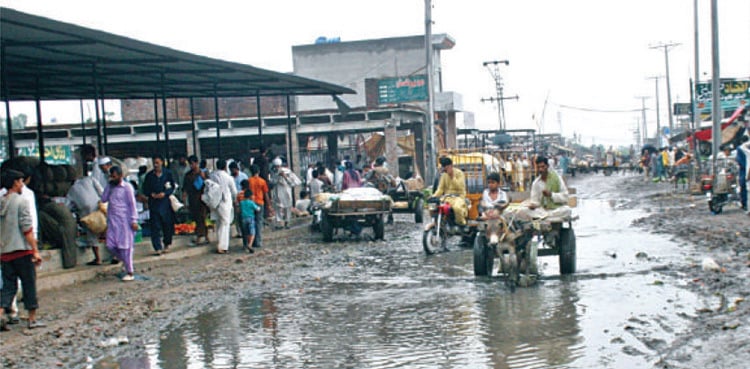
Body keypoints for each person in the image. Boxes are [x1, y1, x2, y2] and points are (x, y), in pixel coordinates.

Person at [0, 169, 45, 331]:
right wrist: (35, 250)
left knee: (8, 286)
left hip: (5, 252)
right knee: (29, 284)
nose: (22, 184)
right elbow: (27, 228)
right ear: (14, 183)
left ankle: (1, 313)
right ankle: (32, 319)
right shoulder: (21, 202)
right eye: (20, 181)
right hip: (22, 251)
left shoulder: (1, 202)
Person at [101, 166, 139, 282]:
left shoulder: (127, 188)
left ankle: (130, 271)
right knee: (110, 245)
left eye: (114, 176)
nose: (113, 178)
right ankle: (124, 261)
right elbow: (103, 199)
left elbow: (132, 205)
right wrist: (109, 186)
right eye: (111, 176)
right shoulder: (110, 187)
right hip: (112, 221)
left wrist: (134, 220)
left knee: (125, 247)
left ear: (120, 176)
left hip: (124, 221)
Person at [514, 156, 571, 220]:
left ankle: (545, 217)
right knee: (522, 211)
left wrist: (551, 195)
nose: (540, 169)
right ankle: (546, 217)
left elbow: (565, 197)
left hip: (556, 209)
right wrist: (533, 205)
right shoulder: (536, 183)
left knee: (567, 210)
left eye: (543, 167)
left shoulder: (557, 178)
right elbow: (535, 201)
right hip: (541, 210)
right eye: (538, 167)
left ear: (547, 166)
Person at [67, 175, 105, 265]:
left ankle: (98, 258)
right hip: (100, 209)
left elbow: (68, 206)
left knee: (91, 235)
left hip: (87, 216)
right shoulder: (90, 179)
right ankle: (116, 256)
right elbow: (101, 191)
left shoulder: (71, 191)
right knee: (109, 230)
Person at [142, 154, 176, 256]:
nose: (156, 165)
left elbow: (172, 186)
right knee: (155, 226)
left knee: (167, 224)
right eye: (154, 163)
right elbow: (145, 189)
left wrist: (165, 193)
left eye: (157, 162)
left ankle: (167, 243)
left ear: (162, 162)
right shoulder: (149, 176)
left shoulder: (167, 174)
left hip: (165, 203)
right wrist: (151, 194)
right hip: (154, 203)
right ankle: (157, 247)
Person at [210, 159, 237, 254]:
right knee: (225, 223)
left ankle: (219, 243)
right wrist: (235, 200)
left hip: (214, 202)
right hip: (225, 201)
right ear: (225, 167)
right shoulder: (228, 177)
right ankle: (222, 246)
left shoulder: (212, 175)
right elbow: (234, 191)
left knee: (218, 223)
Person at [431, 157, 468, 227]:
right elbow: (440, 189)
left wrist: (452, 177)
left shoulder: (459, 173)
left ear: (450, 166)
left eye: (445, 166)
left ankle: (461, 224)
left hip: (458, 197)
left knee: (457, 208)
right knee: (433, 206)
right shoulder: (444, 175)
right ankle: (439, 222)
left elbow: (460, 187)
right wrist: (433, 196)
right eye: (443, 166)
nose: (443, 169)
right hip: (447, 197)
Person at [182, 155, 210, 245]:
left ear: (197, 163)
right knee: (197, 218)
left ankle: (200, 236)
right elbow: (185, 188)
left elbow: (210, 185)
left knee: (202, 217)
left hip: (202, 199)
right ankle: (204, 236)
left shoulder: (203, 173)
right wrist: (184, 198)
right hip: (193, 199)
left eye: (193, 164)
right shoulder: (188, 175)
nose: (191, 166)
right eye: (190, 164)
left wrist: (204, 178)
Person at [270, 158, 300, 229]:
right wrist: (277, 176)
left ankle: (287, 222)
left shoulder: (288, 172)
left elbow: (294, 182)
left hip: (286, 191)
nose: (277, 168)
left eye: (278, 166)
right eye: (275, 166)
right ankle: (279, 223)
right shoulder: (273, 173)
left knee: (287, 207)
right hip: (278, 192)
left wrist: (285, 176)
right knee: (278, 207)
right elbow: (272, 182)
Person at [248, 164, 271, 249]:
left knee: (252, 222)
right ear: (258, 172)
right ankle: (258, 241)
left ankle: (252, 241)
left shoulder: (249, 181)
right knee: (259, 222)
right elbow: (266, 194)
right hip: (260, 202)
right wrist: (269, 205)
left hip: (251, 203)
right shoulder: (262, 181)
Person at [237, 180, 260, 253]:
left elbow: (237, 207)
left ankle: (245, 244)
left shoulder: (239, 196)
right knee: (252, 232)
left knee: (245, 232)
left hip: (243, 217)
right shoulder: (251, 199)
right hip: (251, 217)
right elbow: (256, 208)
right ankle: (250, 244)